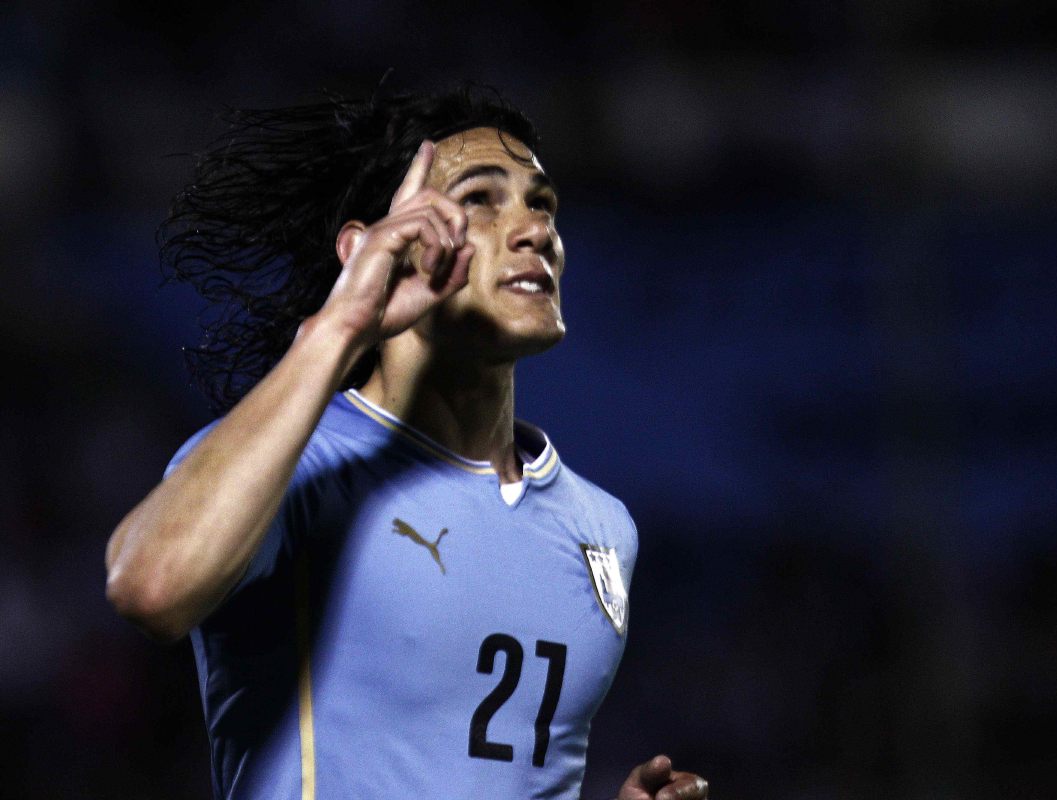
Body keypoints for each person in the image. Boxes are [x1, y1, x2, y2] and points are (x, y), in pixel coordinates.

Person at [104, 86, 708, 800]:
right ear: (372, 248)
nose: (534, 230)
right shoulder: (291, 465)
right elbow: (149, 588)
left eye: (542, 204)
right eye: (479, 199)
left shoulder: (603, 526)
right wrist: (340, 325)